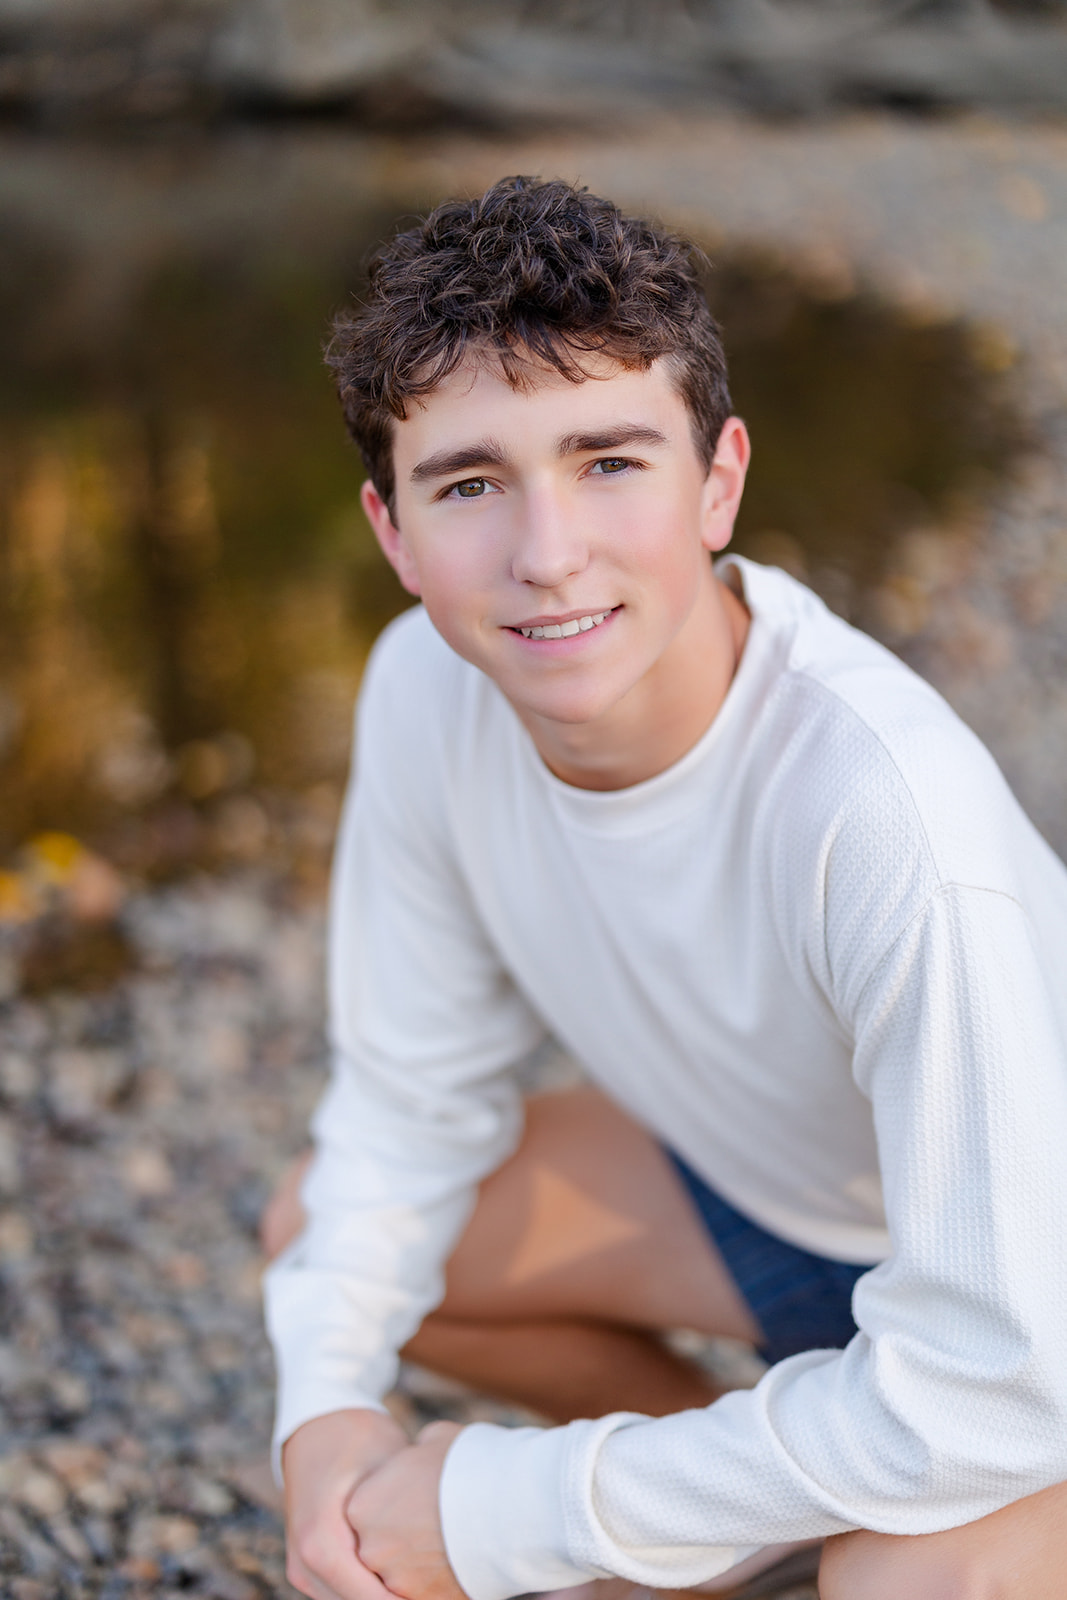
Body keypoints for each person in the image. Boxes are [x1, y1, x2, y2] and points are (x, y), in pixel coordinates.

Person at [260, 175, 1067, 1600]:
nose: (546, 553)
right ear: (391, 533)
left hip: (1032, 1313)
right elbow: (407, 1103)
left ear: (720, 481)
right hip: (784, 1223)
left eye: (609, 462)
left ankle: (777, 1522)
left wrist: (513, 1507)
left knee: (909, 1585)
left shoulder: (882, 816)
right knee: (328, 1227)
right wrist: (322, 1414)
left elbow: (1001, 1375)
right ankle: (735, 1535)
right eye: (468, 484)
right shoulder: (422, 699)